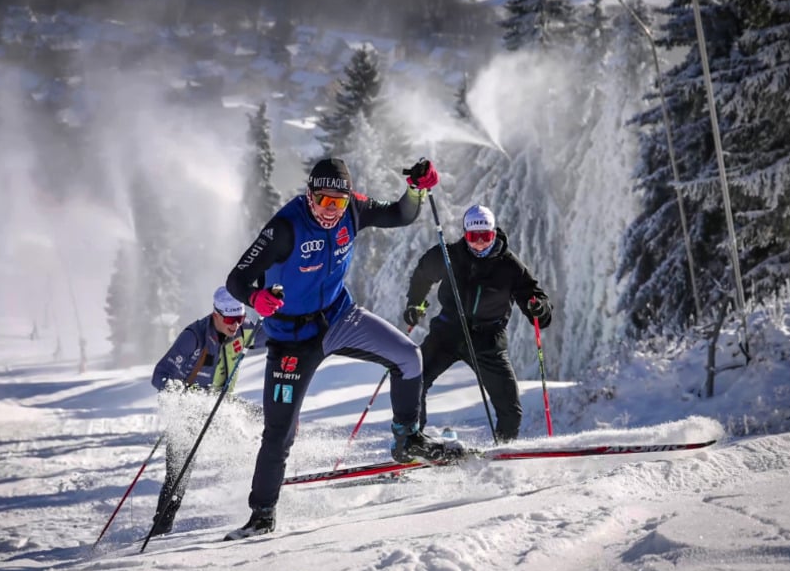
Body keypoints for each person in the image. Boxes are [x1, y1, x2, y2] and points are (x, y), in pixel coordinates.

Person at [222, 157, 452, 540]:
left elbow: (401, 214)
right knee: (280, 432)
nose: (331, 210)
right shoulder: (285, 228)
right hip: (292, 338)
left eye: (339, 202)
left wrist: (415, 190)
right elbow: (237, 279)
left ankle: (407, 439)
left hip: (339, 318)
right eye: (323, 201)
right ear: (309, 196)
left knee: (408, 357)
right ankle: (262, 514)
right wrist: (255, 298)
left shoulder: (354, 210)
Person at [402, 203, 552, 443]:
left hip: (488, 340)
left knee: (510, 409)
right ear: (465, 235)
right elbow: (423, 273)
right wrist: (414, 303)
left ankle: (504, 450)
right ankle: (414, 442)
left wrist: (538, 309)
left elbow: (535, 298)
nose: (480, 243)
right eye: (474, 237)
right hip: (447, 333)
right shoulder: (450, 255)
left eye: (485, 236)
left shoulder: (509, 265)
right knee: (413, 381)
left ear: (493, 234)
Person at [147, 286, 261, 537]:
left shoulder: (244, 329)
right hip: (190, 410)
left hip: (223, 405)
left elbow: (274, 336)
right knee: (178, 474)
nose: (235, 325)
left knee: (268, 420)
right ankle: (160, 529)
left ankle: (271, 483)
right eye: (230, 320)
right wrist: (176, 391)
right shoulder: (194, 337)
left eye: (240, 318)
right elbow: (160, 374)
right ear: (216, 314)